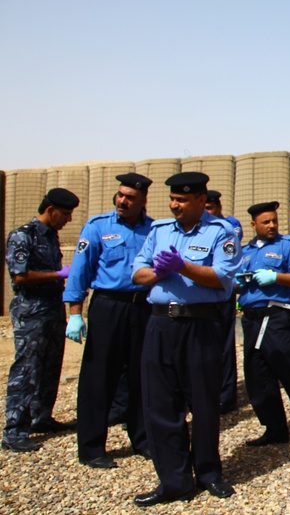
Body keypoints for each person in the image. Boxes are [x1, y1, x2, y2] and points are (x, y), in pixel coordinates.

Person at [131, 172, 242, 507]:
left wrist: (182, 266)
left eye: (181, 200)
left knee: (204, 402)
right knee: (160, 403)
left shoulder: (221, 232)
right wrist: (159, 272)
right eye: (172, 199)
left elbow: (222, 279)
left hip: (200, 326)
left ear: (199, 200)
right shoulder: (159, 230)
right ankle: (174, 480)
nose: (174, 205)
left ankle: (208, 473)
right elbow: (138, 272)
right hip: (161, 325)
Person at [63, 173, 155, 469]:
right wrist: (75, 313)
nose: (122, 201)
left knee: (143, 375)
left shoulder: (154, 229)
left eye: (129, 197)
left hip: (142, 308)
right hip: (108, 307)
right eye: (120, 195)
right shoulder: (98, 226)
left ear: (142, 201)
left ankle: (142, 439)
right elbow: (80, 271)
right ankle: (91, 447)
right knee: (99, 377)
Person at [236, 201, 290, 448]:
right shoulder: (245, 252)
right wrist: (237, 283)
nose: (272, 225)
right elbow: (234, 286)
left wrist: (275, 276)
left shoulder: (288, 246)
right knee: (258, 379)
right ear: (254, 225)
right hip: (251, 319)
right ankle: (275, 428)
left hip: (276, 318)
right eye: (266, 222)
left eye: (274, 220)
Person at [2, 188, 80, 453]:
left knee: (50, 365)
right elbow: (20, 276)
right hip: (31, 312)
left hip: (51, 309)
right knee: (27, 369)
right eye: (66, 214)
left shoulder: (51, 237)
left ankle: (41, 416)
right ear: (51, 210)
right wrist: (57, 274)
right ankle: (14, 429)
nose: (68, 219)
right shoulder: (23, 235)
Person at [205, 189, 242, 414]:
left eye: (210, 208)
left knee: (225, 346)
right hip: (203, 294)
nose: (206, 212)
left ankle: (227, 396)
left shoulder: (229, 225)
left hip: (223, 292)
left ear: (218, 207)